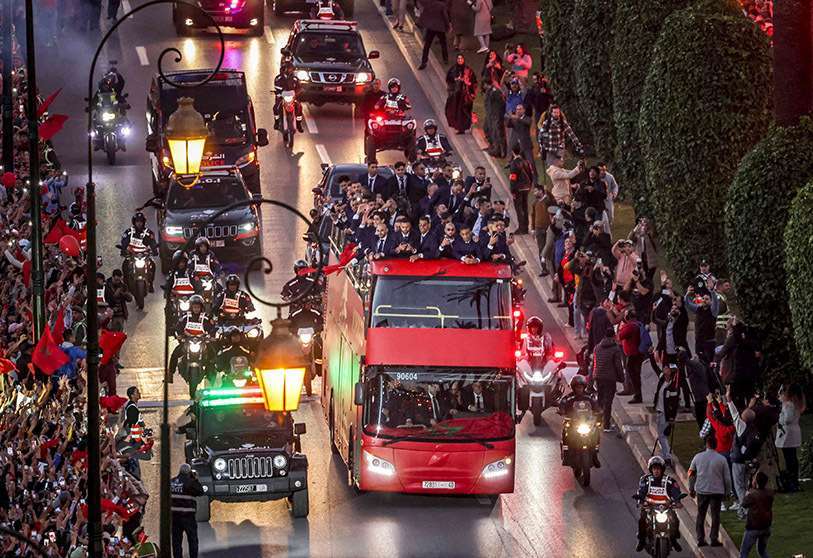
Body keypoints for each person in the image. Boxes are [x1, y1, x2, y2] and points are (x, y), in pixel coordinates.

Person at [688, 435, 731, 547]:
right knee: (715, 515)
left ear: (706, 445)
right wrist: (727, 491)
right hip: (717, 491)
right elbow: (727, 478)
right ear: (716, 445)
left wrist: (691, 488)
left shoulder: (698, 457)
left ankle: (700, 538)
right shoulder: (721, 459)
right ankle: (713, 538)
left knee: (701, 515)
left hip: (702, 490)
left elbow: (691, 473)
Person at [636, 456, 683, 553]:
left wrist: (677, 502)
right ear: (651, 469)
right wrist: (640, 501)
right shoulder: (646, 480)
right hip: (650, 507)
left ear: (662, 469)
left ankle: (674, 540)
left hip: (666, 507)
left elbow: (675, 491)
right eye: (654, 468)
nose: (656, 471)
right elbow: (641, 492)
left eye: (658, 468)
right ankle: (641, 541)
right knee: (642, 519)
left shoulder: (669, 481)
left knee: (675, 520)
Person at [590, 326, 624, 432]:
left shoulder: (597, 347)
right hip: (610, 378)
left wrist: (591, 379)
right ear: (614, 336)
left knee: (600, 399)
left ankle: (598, 421)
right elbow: (618, 365)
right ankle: (606, 425)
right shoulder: (615, 349)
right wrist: (621, 378)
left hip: (598, 376)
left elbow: (594, 364)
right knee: (608, 401)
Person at [170, 463, 204, 558]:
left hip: (175, 516)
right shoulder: (191, 482)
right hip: (188, 517)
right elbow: (200, 491)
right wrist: (195, 479)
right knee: (192, 540)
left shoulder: (171, 482)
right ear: (189, 472)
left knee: (176, 541)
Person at [775, 383, 805, 492]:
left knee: (789, 458)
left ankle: (791, 481)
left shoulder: (788, 404)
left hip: (788, 433)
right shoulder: (797, 403)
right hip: (794, 431)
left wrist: (779, 417)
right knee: (792, 457)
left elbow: (787, 419)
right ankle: (794, 480)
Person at [119, 211, 158, 292]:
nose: (139, 223)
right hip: (132, 255)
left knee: (153, 264)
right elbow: (124, 242)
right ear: (134, 222)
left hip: (144, 255)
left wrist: (155, 251)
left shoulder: (148, 233)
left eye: (141, 221)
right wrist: (123, 251)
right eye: (137, 221)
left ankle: (151, 283)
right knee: (125, 265)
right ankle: (126, 284)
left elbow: (153, 243)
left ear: (143, 222)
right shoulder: (129, 232)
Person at [739, 471, 773, 558]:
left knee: (744, 553)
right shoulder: (769, 493)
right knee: (762, 551)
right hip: (766, 526)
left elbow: (744, 504)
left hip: (753, 527)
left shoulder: (752, 495)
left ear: (756, 482)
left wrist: (747, 493)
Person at [445, 55, 477, 134]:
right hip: (455, 94)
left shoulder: (468, 70)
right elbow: (449, 79)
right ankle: (459, 128)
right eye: (458, 59)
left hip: (465, 95)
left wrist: (467, 83)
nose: (460, 60)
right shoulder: (453, 69)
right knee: (454, 110)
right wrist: (456, 79)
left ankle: (467, 125)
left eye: (461, 58)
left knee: (464, 111)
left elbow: (473, 82)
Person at [617, 309, 644, 402]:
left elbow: (620, 336)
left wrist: (622, 326)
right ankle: (637, 394)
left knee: (633, 375)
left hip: (632, 354)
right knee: (636, 374)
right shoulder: (638, 324)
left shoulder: (630, 326)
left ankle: (637, 395)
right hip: (638, 353)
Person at [505, 103, 535, 185]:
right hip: (516, 146)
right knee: (514, 164)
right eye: (517, 109)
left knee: (530, 163)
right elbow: (508, 125)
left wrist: (517, 118)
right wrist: (510, 117)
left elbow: (527, 123)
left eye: (520, 109)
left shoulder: (527, 119)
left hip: (526, 145)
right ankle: (515, 181)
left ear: (524, 110)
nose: (518, 111)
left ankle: (534, 182)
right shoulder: (514, 119)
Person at [507, 145, 533, 234]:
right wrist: (530, 186)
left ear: (513, 152)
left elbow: (513, 178)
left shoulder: (514, 164)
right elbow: (531, 174)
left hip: (518, 189)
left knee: (519, 208)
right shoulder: (526, 162)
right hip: (526, 187)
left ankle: (521, 228)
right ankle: (526, 226)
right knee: (525, 207)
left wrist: (512, 190)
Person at [417, 0, 450, 70]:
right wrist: (448, 26)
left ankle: (423, 62)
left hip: (431, 27)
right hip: (440, 27)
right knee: (443, 43)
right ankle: (445, 59)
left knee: (427, 45)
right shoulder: (441, 5)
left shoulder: (429, 2)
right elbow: (445, 17)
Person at [273, 63, 304, 133]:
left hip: (292, 97)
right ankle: (276, 122)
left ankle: (299, 124)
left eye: (291, 69)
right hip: (281, 96)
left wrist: (297, 93)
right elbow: (276, 87)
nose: (289, 70)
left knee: (299, 107)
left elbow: (299, 87)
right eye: (288, 68)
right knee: (276, 107)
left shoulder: (295, 78)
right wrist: (279, 93)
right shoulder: (278, 78)